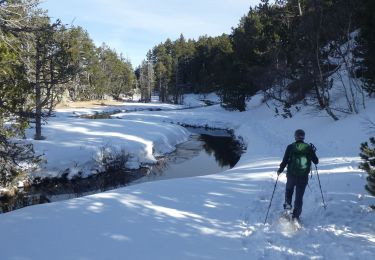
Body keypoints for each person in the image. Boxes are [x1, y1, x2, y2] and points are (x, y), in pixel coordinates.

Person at [277, 129, 319, 221]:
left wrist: (280, 170)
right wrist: (313, 152)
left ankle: (287, 210)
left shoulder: (290, 147)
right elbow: (316, 161)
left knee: (289, 191)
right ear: (303, 137)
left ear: (295, 136)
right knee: (299, 197)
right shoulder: (308, 147)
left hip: (291, 175)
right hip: (303, 177)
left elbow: (284, 161)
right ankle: (296, 217)